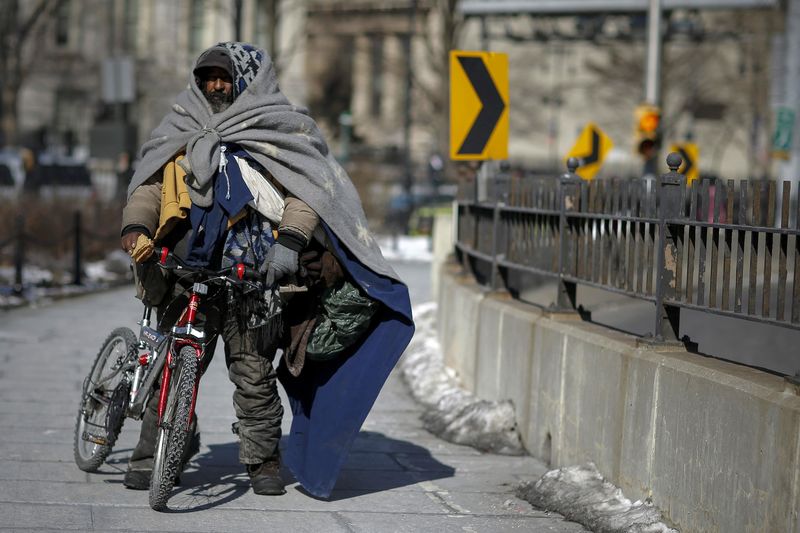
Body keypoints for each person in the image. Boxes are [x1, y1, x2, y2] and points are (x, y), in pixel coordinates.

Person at [120, 42, 415, 499]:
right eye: (207, 77)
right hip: (187, 270)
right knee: (172, 369)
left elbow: (311, 193)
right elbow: (151, 186)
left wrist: (289, 245)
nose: (215, 85)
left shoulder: (283, 128)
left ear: (248, 78)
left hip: (252, 277)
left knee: (253, 372)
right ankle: (154, 455)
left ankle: (262, 461)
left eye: (224, 76)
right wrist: (136, 226)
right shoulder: (181, 123)